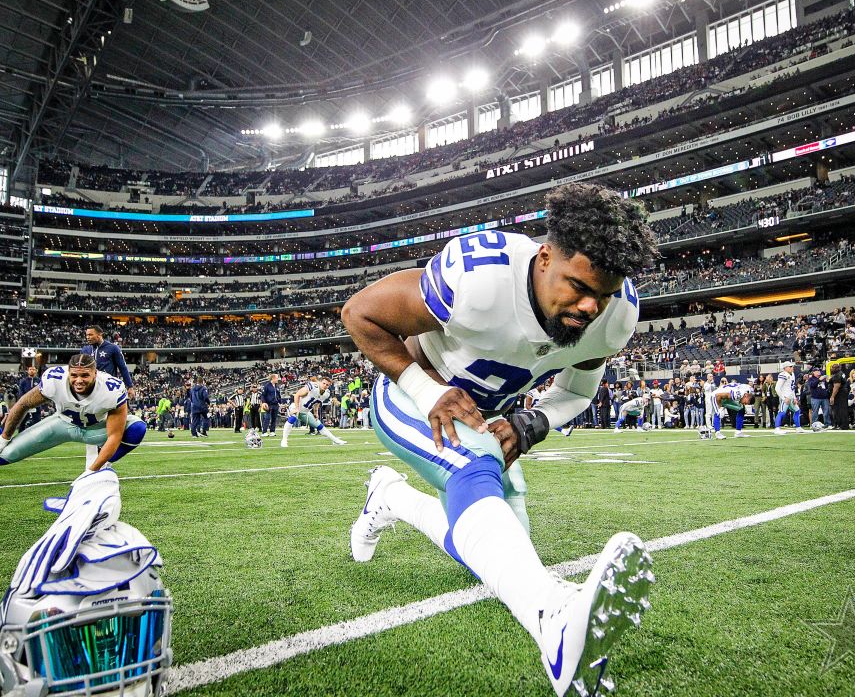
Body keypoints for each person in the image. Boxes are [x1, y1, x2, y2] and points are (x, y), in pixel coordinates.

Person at [339, 183, 657, 696]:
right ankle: (552, 620)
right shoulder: (482, 275)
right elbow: (360, 313)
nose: (589, 306)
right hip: (413, 396)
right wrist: (427, 391)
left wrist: (532, 425)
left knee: (492, 550)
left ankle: (390, 498)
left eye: (603, 293)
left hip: (488, 419)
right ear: (545, 256)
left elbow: (576, 391)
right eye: (577, 286)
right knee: (476, 472)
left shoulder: (616, 312)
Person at [0, 354, 147, 488]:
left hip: (96, 430)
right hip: (62, 424)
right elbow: (22, 404)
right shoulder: (54, 379)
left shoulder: (112, 389)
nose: (79, 380)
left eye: (85, 376)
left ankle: (102, 466)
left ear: (95, 374)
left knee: (137, 427)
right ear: (68, 373)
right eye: (75, 375)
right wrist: (3, 437)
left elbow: (115, 435)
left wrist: (91, 471)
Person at [280, 376, 347, 447]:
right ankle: (284, 440)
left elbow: (317, 402)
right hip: (296, 407)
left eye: (327, 385)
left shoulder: (326, 393)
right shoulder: (313, 387)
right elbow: (297, 395)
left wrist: (315, 412)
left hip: (305, 412)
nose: (325, 386)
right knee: (292, 418)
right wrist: (296, 408)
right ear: (320, 382)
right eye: (324, 383)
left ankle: (335, 440)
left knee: (320, 426)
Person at [81, 326, 134, 398]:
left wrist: (130, 387)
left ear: (99, 335)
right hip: (90, 388)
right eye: (86, 335)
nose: (87, 337)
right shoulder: (85, 350)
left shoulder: (113, 348)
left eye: (90, 335)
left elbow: (122, 367)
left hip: (108, 388)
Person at [772, 361, 804, 434]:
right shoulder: (783, 375)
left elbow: (792, 388)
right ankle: (777, 428)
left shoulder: (792, 374)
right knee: (782, 412)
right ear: (785, 368)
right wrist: (784, 398)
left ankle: (798, 428)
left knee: (797, 411)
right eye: (790, 366)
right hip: (785, 397)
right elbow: (777, 388)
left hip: (791, 397)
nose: (792, 368)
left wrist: (794, 397)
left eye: (792, 366)